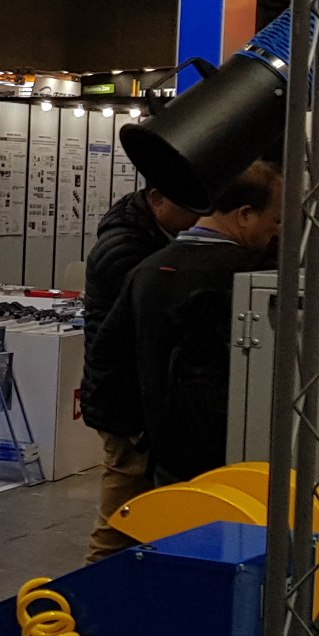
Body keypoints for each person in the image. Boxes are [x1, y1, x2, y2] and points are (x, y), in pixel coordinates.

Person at [92, 162, 284, 512]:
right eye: (276, 219)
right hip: (225, 452)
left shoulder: (149, 268)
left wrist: (135, 431)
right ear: (244, 215)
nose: (276, 230)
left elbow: (108, 352)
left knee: (146, 527)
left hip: (163, 448)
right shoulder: (255, 278)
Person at [76, 184, 200, 560]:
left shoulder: (147, 238)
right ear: (158, 199)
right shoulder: (127, 250)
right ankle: (93, 590)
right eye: (188, 206)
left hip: (128, 397)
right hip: (125, 402)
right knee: (119, 521)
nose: (196, 218)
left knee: (133, 511)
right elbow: (142, 331)